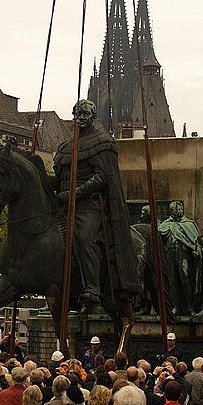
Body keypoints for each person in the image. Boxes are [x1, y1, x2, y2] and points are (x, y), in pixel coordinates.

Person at [53, 99, 139, 308]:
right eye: (77, 114)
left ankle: (92, 287)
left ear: (92, 116)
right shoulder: (66, 147)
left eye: (84, 114)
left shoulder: (102, 142)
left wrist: (76, 193)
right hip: (64, 203)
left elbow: (103, 177)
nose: (80, 118)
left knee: (83, 237)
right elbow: (58, 179)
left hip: (89, 205)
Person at [159, 200, 203, 316]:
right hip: (170, 255)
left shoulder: (189, 224)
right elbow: (159, 236)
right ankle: (174, 306)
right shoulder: (166, 224)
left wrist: (196, 251)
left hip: (184, 255)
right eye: (174, 211)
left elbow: (196, 243)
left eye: (179, 210)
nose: (177, 212)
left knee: (185, 280)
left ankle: (190, 307)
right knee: (172, 281)